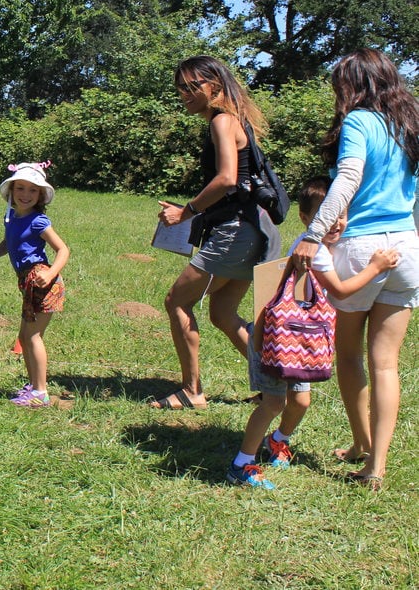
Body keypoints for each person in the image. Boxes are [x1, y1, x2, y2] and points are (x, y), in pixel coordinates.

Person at [291, 48, 419, 491]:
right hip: (405, 248)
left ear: (354, 86)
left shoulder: (359, 122)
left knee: (348, 355)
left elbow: (347, 178)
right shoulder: (408, 127)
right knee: (386, 364)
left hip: (360, 246)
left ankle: (362, 444)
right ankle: (374, 465)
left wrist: (313, 233)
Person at [227, 177, 400, 488]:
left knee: (301, 402)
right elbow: (342, 291)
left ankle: (278, 440)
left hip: (297, 339)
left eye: (342, 215)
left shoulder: (326, 248)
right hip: (273, 339)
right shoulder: (315, 250)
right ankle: (241, 463)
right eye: (327, 216)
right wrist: (376, 267)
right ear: (307, 219)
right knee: (273, 403)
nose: (336, 223)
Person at [154, 55, 281, 410]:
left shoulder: (222, 121)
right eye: (181, 87)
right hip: (252, 228)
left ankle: (191, 391)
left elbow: (226, 178)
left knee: (176, 301)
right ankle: (274, 388)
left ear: (215, 85)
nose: (185, 94)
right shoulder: (234, 120)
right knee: (223, 313)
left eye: (193, 86)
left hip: (235, 231)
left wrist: (187, 211)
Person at [0, 162, 70, 408]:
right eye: (20, 188)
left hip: (42, 282)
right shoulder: (11, 217)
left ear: (41, 195)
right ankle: (33, 386)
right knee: (25, 335)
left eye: (33, 190)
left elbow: (63, 249)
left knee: (32, 336)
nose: (25, 195)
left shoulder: (38, 221)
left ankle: (40, 393)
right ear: (11, 191)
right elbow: (9, 241)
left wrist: (51, 272)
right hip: (27, 282)